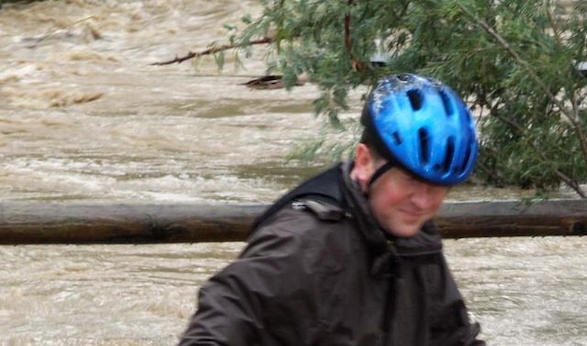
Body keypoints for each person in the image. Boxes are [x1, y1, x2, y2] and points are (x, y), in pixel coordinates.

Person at [178, 73, 485, 345]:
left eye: (437, 188)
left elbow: (452, 336)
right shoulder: (303, 239)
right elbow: (224, 309)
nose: (423, 202)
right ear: (364, 162)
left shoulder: (417, 243)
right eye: (409, 181)